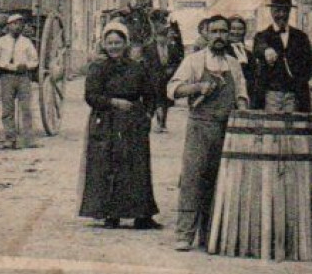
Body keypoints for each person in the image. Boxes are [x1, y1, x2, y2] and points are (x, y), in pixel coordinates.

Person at [166, 14, 249, 251]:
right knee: (192, 179)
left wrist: (242, 111)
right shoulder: (194, 61)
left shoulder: (233, 64)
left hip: (227, 129)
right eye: (215, 32)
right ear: (206, 34)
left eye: (224, 32)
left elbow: (242, 93)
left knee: (221, 180)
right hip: (200, 127)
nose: (220, 36)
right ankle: (184, 234)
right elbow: (172, 89)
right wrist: (197, 87)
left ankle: (210, 235)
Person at [80, 21, 161, 231]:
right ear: (104, 45)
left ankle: (142, 215)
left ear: (125, 43)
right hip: (106, 121)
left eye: (118, 42)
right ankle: (111, 214)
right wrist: (113, 102)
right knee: (109, 166)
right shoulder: (98, 68)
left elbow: (151, 94)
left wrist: (147, 116)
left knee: (138, 167)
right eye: (110, 43)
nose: (114, 47)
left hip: (133, 123)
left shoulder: (137, 67)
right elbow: (91, 96)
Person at [0, 12, 40, 149]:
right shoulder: (0, 42)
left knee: (26, 109)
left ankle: (28, 139)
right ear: (9, 26)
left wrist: (28, 66)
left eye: (20, 24)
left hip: (23, 77)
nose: (17, 27)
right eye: (14, 24)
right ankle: (10, 138)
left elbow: (35, 60)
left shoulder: (27, 42)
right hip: (6, 77)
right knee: (7, 110)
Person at [250, 0, 312, 113]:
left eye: (285, 11)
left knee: (295, 128)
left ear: (290, 12)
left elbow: (309, 67)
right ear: (271, 12)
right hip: (270, 95)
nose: (282, 14)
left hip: (295, 95)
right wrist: (266, 50)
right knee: (271, 127)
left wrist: (298, 84)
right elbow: (258, 49)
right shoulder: (262, 36)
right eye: (277, 11)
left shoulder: (301, 37)